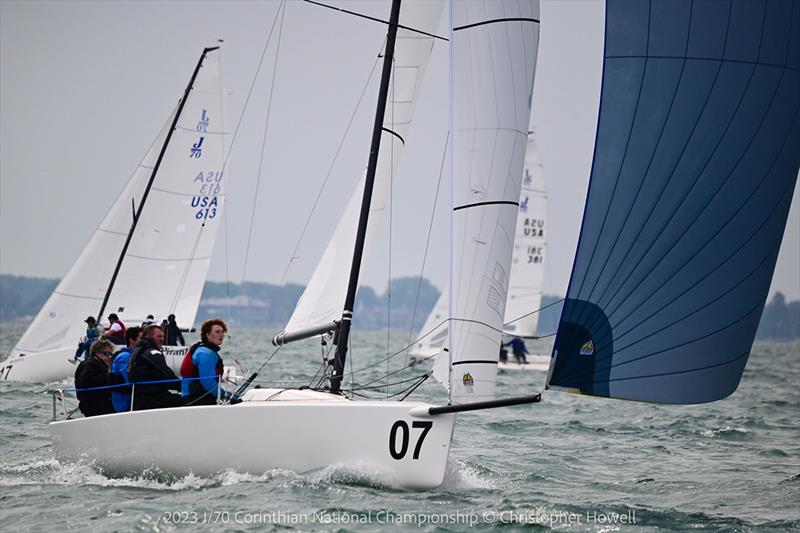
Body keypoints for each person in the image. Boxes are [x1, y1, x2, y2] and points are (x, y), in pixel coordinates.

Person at [180, 318, 236, 405]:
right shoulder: (205, 353)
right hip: (195, 399)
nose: (221, 335)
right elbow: (207, 382)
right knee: (236, 401)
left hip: (197, 395)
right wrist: (224, 394)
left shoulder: (203, 349)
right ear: (208, 335)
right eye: (217, 332)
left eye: (222, 332)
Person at [127, 325, 183, 410]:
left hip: (140, 400)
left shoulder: (138, 351)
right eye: (159, 336)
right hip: (153, 400)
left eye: (163, 336)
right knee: (189, 400)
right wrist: (186, 387)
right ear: (149, 337)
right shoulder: (152, 353)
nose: (162, 339)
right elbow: (167, 376)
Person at [74, 339, 115, 417]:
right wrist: (111, 378)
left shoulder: (103, 365)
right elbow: (86, 382)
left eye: (111, 355)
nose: (110, 357)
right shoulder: (88, 365)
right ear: (96, 353)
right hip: (94, 407)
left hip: (103, 405)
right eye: (107, 354)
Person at [108, 326, 142, 413]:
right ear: (132, 340)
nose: (143, 341)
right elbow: (130, 380)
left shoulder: (133, 356)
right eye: (141, 338)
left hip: (132, 401)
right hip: (125, 404)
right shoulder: (124, 357)